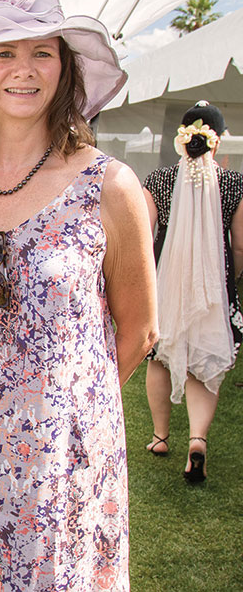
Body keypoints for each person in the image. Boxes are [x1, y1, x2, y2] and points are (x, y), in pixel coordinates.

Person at [0, 0, 158, 590]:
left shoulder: (110, 186)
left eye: (42, 51)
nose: (24, 69)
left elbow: (140, 329)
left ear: (65, 69)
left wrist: (60, 407)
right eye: (5, 53)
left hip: (62, 464)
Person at [142, 101, 243, 483]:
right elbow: (240, 246)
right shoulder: (235, 183)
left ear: (179, 139)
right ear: (216, 141)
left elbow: (143, 233)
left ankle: (160, 436)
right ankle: (197, 439)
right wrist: (229, 280)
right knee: (205, 354)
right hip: (214, 284)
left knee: (158, 356)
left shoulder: (159, 178)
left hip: (164, 280)